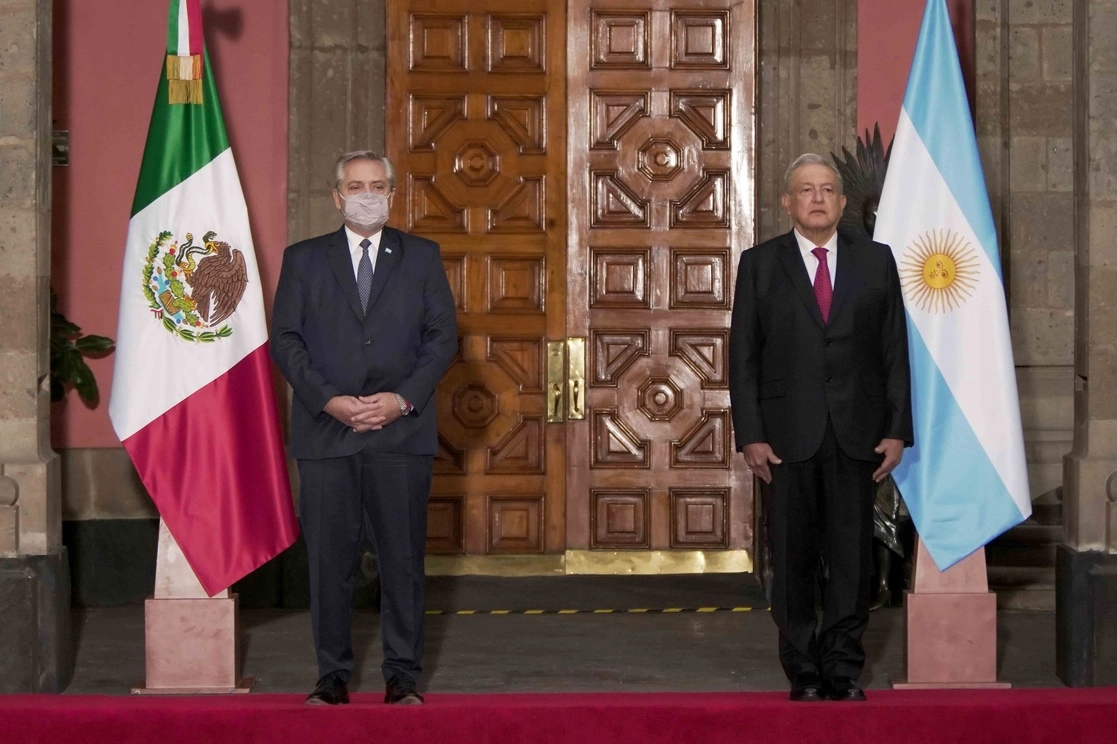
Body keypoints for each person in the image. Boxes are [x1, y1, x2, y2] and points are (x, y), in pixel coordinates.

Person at [270, 151, 457, 706]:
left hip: (400, 435)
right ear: (337, 196)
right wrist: (330, 401)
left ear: (393, 195)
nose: (367, 194)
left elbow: (441, 339)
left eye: (378, 185)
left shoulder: (422, 258)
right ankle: (332, 675)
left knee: (402, 560)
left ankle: (402, 675)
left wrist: (400, 400)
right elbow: (286, 340)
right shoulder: (303, 260)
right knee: (330, 564)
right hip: (327, 435)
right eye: (356, 185)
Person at [728, 153, 912, 702]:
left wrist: (898, 429)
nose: (817, 198)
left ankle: (842, 668)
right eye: (805, 190)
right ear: (788, 202)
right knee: (792, 559)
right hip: (786, 438)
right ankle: (804, 670)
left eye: (827, 189)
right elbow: (744, 359)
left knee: (853, 561)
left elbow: (894, 352)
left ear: (842, 201)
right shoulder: (760, 264)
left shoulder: (876, 260)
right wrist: (751, 434)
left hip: (858, 435)